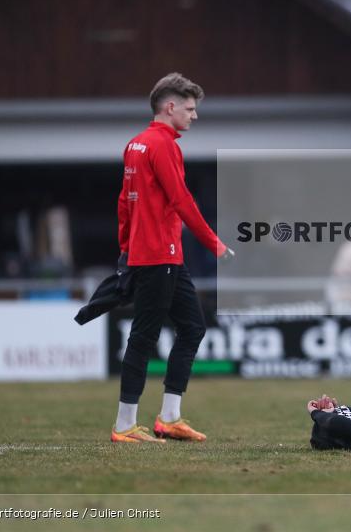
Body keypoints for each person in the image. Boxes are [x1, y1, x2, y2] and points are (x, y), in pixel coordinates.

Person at [110, 73, 235, 444]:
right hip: (158, 255)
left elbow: (124, 202)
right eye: (190, 108)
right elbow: (181, 200)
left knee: (193, 327)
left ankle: (168, 418)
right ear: (170, 107)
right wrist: (215, 244)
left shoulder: (135, 145)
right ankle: (124, 426)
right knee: (143, 337)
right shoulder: (163, 145)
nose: (194, 115)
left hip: (159, 255)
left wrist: (126, 247)